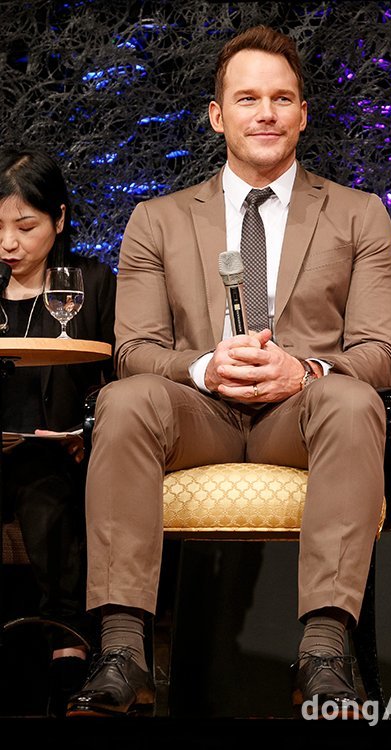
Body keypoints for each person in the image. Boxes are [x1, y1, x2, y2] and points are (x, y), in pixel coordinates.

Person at [67, 25, 391, 719]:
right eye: (247, 98)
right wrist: (204, 367)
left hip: (303, 417)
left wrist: (303, 369)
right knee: (125, 399)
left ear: (303, 114)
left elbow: (380, 353)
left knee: (353, 401)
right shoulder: (157, 219)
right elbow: (134, 350)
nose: (266, 113)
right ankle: (124, 653)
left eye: (282, 99)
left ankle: (324, 656)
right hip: (198, 413)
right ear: (218, 116)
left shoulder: (359, 214)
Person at [0, 146, 116, 717]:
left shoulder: (89, 283)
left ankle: (68, 643)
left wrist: (87, 430)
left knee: (42, 482)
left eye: (25, 227)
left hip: (59, 455)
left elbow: (120, 373)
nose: (9, 244)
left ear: (60, 218)